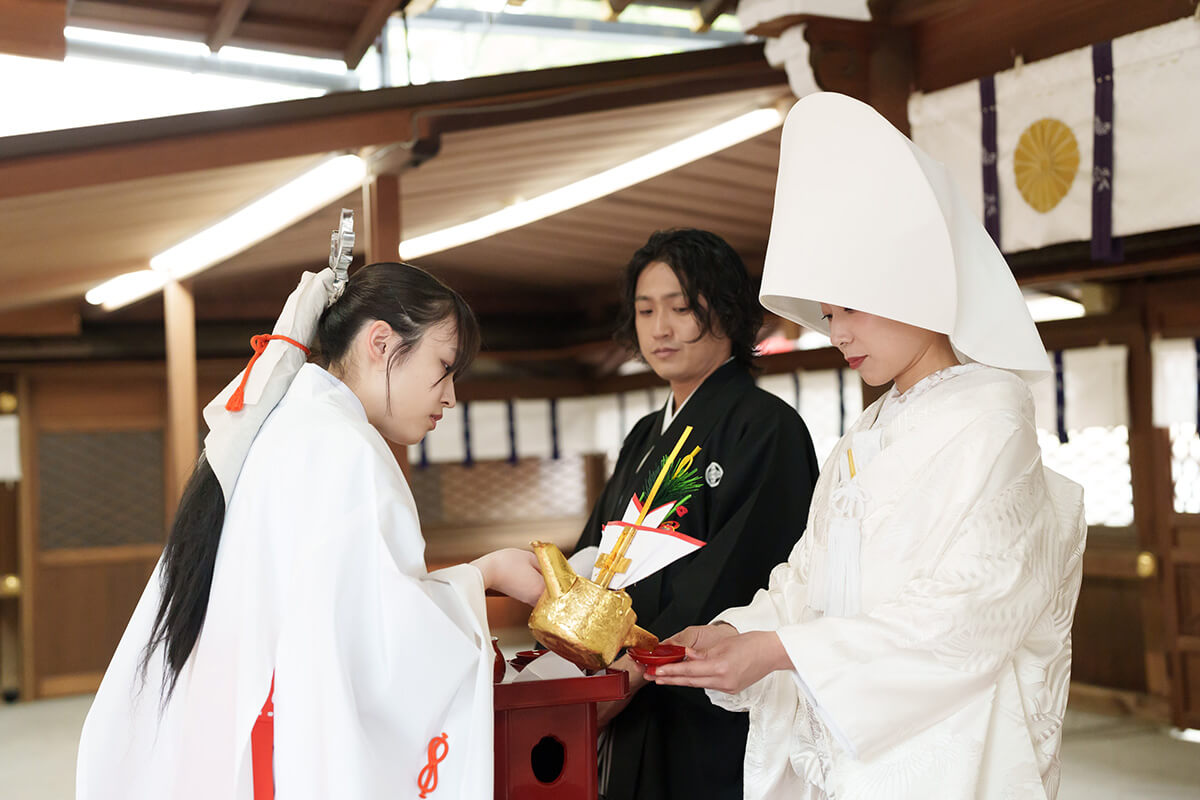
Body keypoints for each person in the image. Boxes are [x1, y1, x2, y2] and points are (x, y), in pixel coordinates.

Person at [650, 93, 1087, 800]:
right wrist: (737, 630)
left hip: (944, 745)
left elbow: (971, 607)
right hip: (847, 732)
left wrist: (783, 650)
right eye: (827, 315)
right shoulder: (871, 426)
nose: (839, 333)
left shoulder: (991, 410)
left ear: (914, 286)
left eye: (852, 306)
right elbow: (809, 576)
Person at [77, 263, 543, 800]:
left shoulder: (289, 423)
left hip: (250, 725)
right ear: (381, 342)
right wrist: (485, 575)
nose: (451, 397)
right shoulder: (345, 450)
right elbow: (385, 645)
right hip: (291, 740)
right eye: (444, 366)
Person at [572, 228, 820, 800]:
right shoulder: (642, 436)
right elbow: (600, 555)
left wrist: (640, 667)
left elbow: (743, 569)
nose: (660, 328)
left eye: (682, 308)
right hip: (626, 690)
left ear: (729, 312)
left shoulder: (766, 428)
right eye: (645, 309)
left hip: (708, 698)